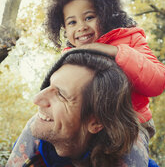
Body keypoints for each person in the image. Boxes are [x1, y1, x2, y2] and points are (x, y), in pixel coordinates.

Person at [7, 49, 141, 166]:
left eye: (60, 95)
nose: (36, 99)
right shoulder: (30, 152)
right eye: (49, 85)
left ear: (96, 122)